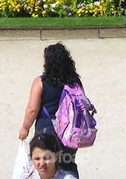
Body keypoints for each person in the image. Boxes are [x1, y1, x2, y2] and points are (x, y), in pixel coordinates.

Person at [19, 43, 82, 177]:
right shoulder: (75, 82)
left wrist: (25, 127)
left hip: (47, 131)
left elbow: (32, 109)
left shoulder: (41, 82)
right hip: (69, 133)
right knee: (68, 163)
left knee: (45, 168)